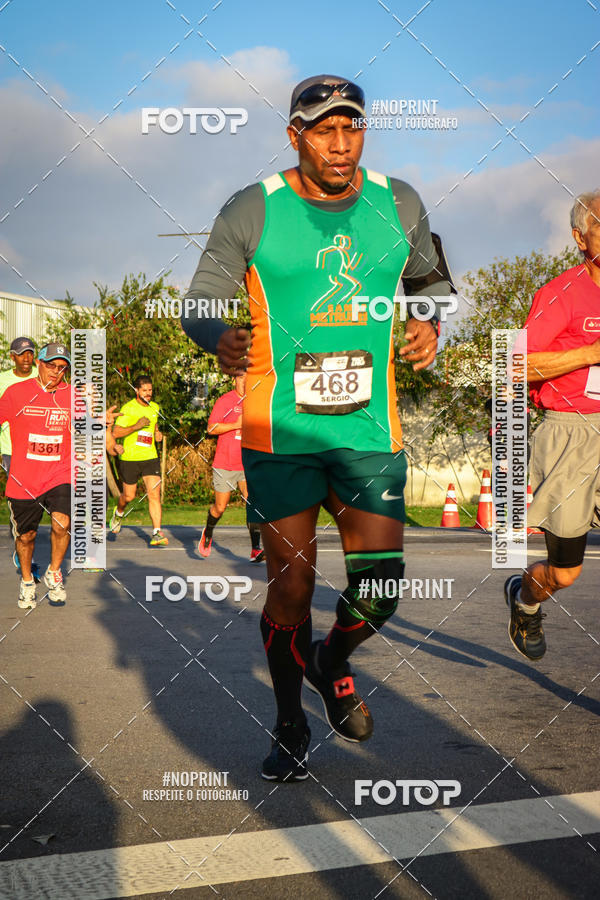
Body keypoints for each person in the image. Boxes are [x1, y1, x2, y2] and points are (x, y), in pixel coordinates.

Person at [183, 75, 453, 782]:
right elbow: (200, 301)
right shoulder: (254, 208)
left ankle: (332, 659)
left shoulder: (399, 201)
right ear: (294, 134)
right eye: (324, 129)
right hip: (282, 431)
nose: (340, 144)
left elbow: (429, 283)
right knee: (293, 589)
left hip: (367, 428)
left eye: (352, 128)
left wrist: (428, 326)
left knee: (382, 586)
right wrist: (220, 338)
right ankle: (290, 723)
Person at [505, 189, 600, 660]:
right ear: (580, 237)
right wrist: (590, 354)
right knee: (565, 573)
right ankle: (525, 602)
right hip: (571, 433)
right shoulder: (560, 293)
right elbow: (515, 366)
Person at [0, 342, 72, 608]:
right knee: (26, 537)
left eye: (62, 368)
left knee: (61, 523)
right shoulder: (16, 393)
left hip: (59, 472)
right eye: (51, 365)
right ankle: (28, 581)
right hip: (24, 477)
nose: (56, 372)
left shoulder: (72, 395)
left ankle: (54, 572)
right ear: (39, 364)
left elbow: (89, 428)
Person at [198, 372, 265, 561]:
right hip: (225, 464)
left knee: (253, 503)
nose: (245, 381)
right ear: (234, 379)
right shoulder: (225, 401)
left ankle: (255, 549)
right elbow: (211, 429)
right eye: (242, 378)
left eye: (248, 378)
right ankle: (208, 533)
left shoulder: (255, 401)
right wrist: (236, 425)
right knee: (220, 508)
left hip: (246, 464)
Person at [109, 375, 167, 546]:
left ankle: (156, 532)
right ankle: (119, 512)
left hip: (150, 457)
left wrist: (158, 435)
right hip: (130, 459)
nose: (148, 394)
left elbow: (155, 428)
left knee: (154, 494)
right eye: (144, 391)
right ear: (137, 391)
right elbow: (116, 433)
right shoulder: (128, 409)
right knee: (128, 496)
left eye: (150, 390)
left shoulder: (155, 407)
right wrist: (136, 426)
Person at [0, 337, 38, 473]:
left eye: (30, 353)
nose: (26, 358)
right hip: (10, 449)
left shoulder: (42, 375)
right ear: (12, 357)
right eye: (21, 354)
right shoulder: (2, 380)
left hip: (39, 447)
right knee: (17, 491)